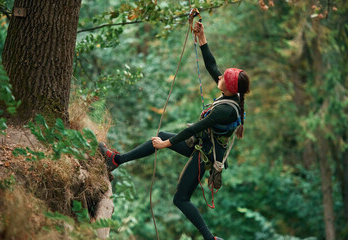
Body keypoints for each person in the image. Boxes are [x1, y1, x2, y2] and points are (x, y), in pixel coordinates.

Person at [99, 22, 250, 240]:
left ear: (228, 87)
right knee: (160, 136)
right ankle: (116, 160)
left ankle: (210, 238)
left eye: (222, 79)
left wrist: (166, 145)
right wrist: (202, 37)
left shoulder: (226, 110)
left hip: (205, 155)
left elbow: (194, 129)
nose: (218, 77)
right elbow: (211, 65)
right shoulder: (231, 95)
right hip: (203, 145)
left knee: (180, 199)